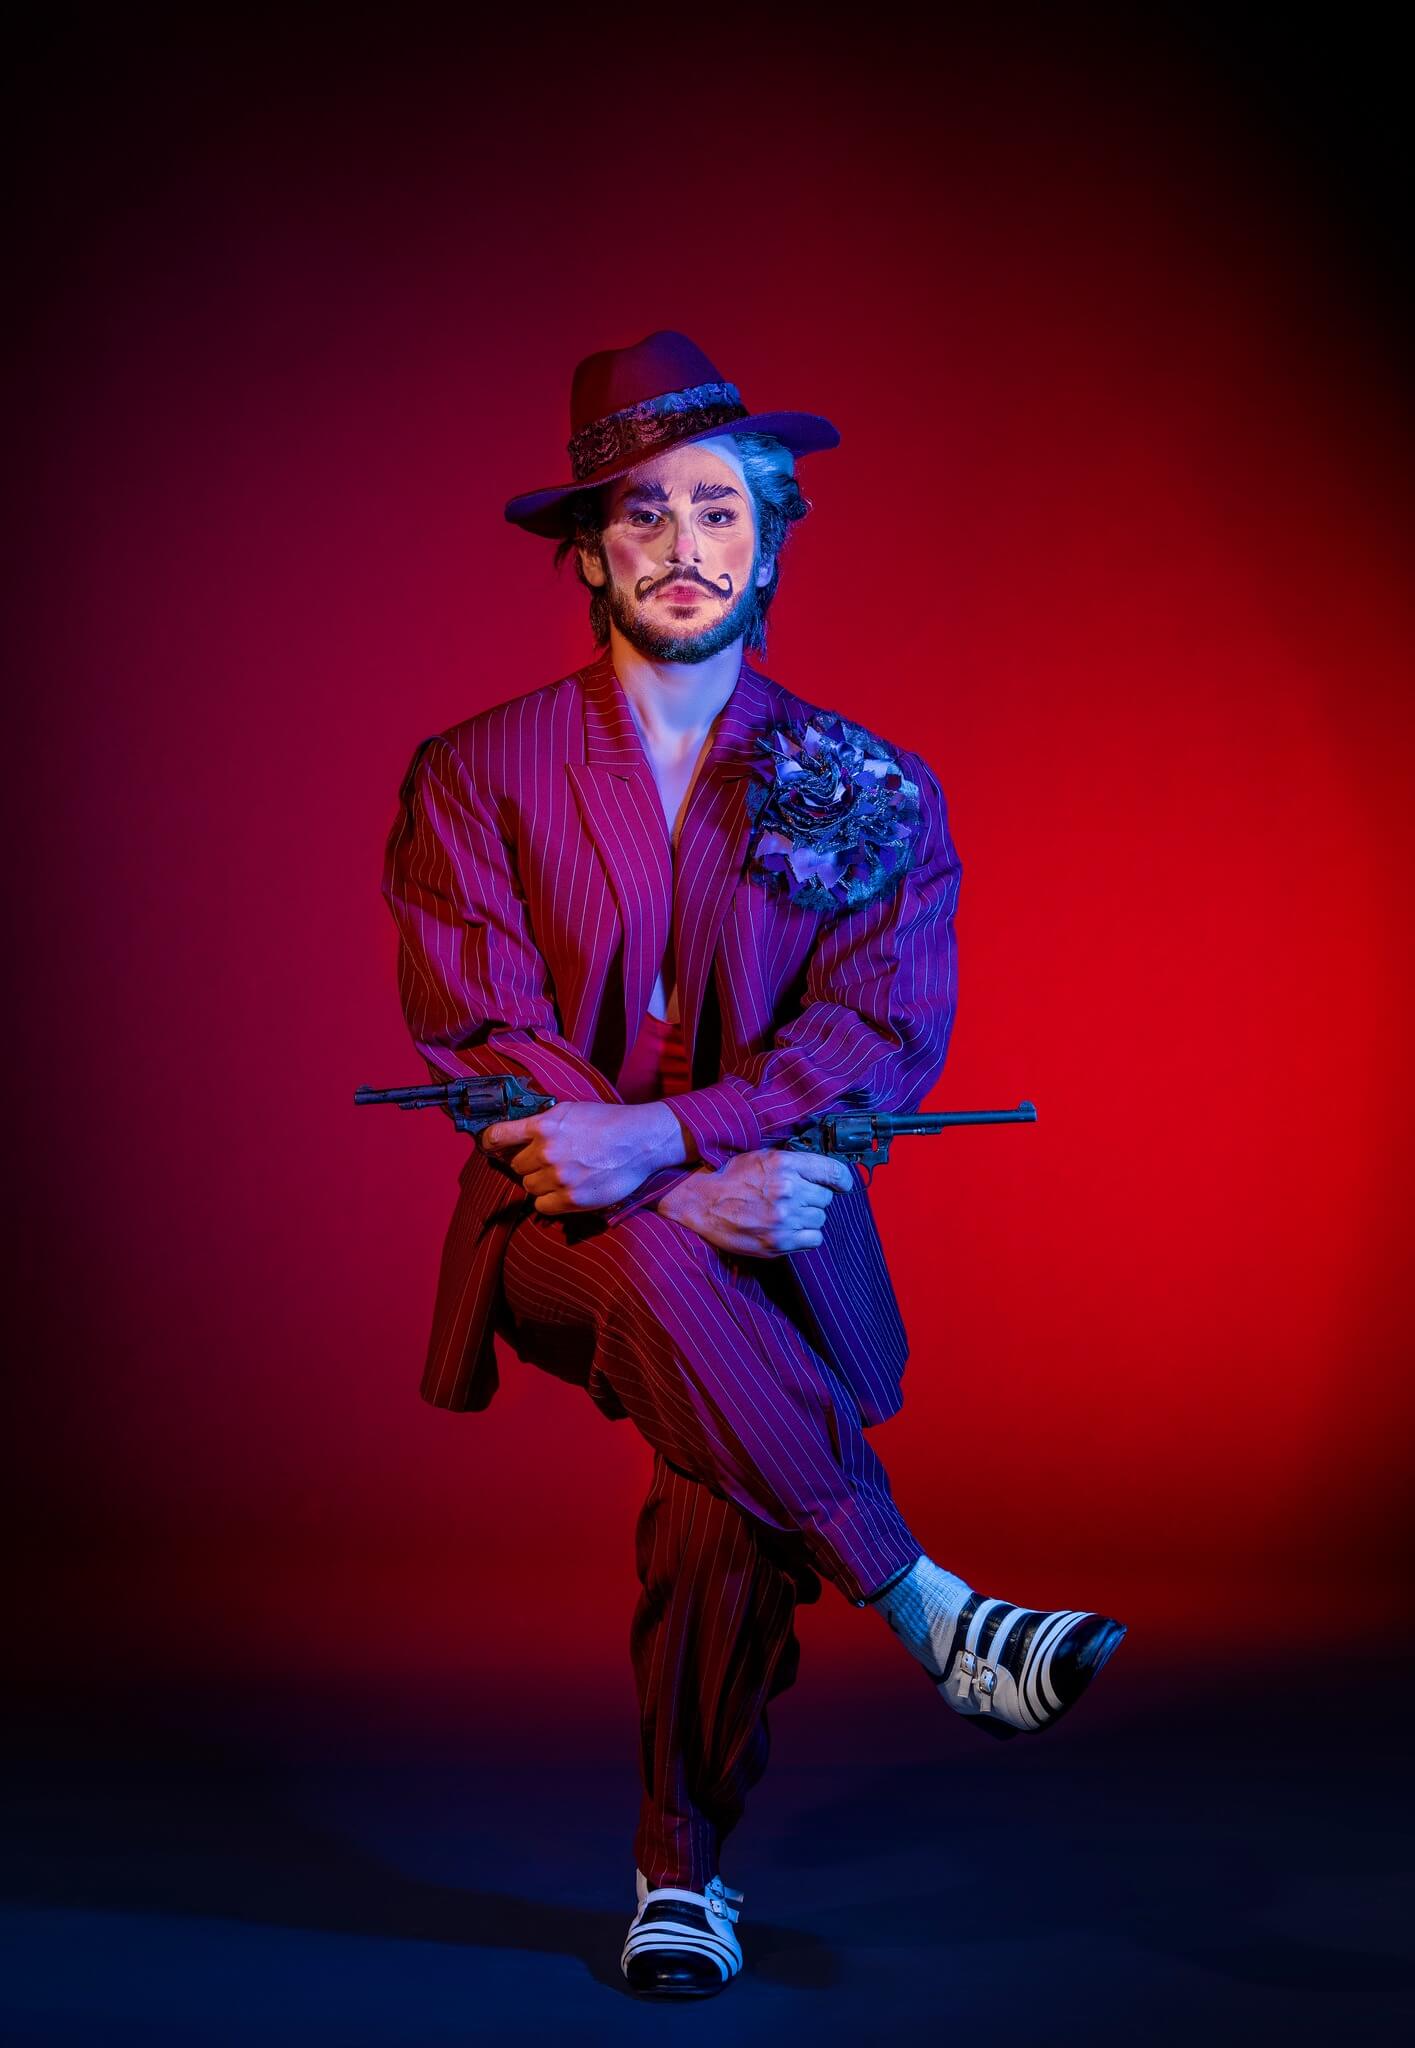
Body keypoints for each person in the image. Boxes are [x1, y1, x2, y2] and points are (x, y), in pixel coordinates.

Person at [379, 330, 1125, 2000]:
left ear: (770, 541)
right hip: (551, 1220)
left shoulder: (870, 786)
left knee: (718, 1465)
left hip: (771, 1211)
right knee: (661, 1266)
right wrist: (659, 1182)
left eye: (719, 509)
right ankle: (929, 1607)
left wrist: (675, 1141)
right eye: (642, 513)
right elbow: (481, 1033)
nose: (684, 545)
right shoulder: (472, 774)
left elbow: (878, 1036)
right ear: (590, 553)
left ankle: (680, 1877)